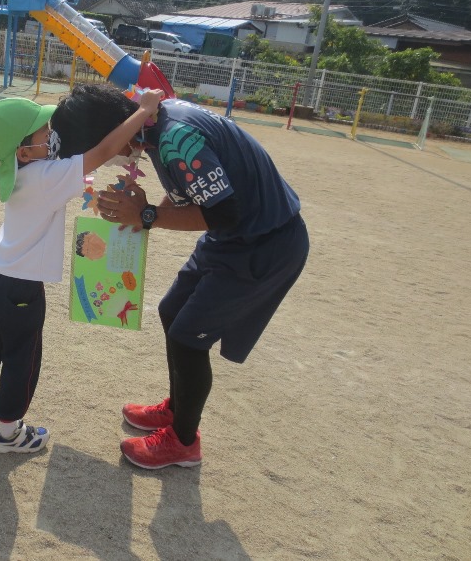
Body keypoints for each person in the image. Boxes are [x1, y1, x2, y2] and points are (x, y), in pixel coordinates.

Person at [51, 84, 310, 470]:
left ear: (112, 133)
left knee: (188, 337)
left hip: (263, 243)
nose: (105, 161)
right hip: (233, 238)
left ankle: (184, 442)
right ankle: (178, 409)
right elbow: (191, 192)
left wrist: (146, 216)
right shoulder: (156, 121)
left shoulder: (174, 138)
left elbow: (224, 213)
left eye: (101, 152)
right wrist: (144, 213)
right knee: (172, 311)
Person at [0, 91, 162, 454]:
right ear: (24, 151)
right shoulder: (47, 176)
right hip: (22, 288)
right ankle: (8, 433)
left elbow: (73, 162)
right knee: (21, 358)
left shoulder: (20, 172)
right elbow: (105, 150)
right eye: (44, 132)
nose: (52, 134)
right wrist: (144, 110)